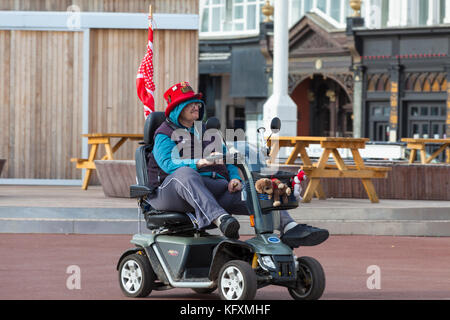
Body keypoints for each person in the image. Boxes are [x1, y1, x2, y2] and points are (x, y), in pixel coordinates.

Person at [146, 81, 329, 247]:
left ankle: (290, 227)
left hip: (212, 188)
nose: (196, 105)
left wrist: (234, 178)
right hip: (171, 193)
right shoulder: (164, 133)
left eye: (196, 102)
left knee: (253, 190)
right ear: (178, 108)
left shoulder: (207, 132)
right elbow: (168, 164)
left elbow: (229, 160)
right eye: (190, 102)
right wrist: (200, 162)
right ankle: (221, 219)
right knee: (186, 173)